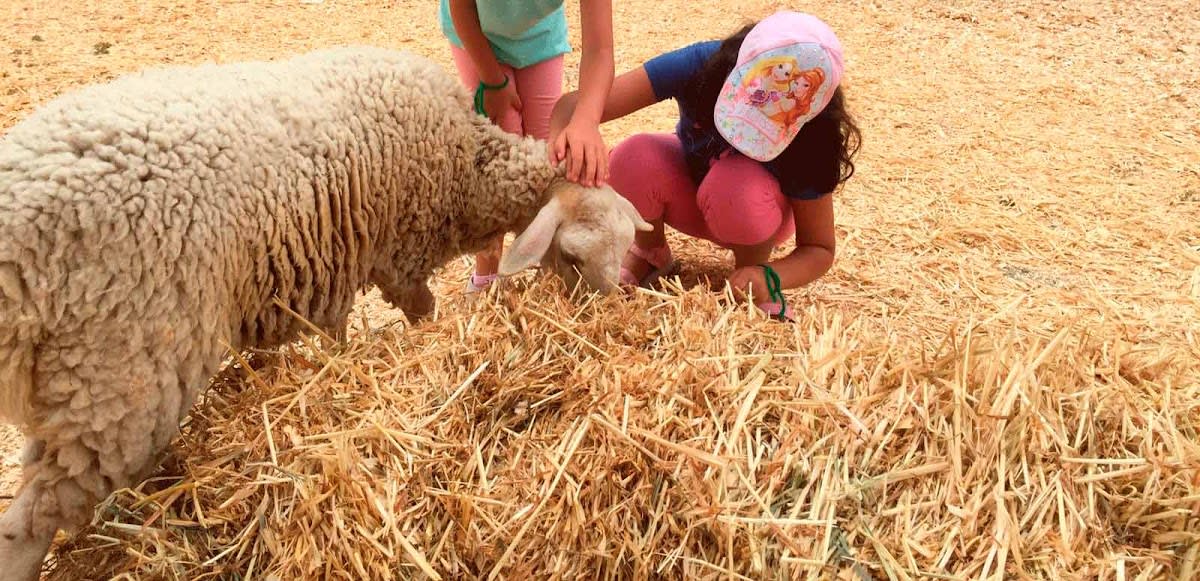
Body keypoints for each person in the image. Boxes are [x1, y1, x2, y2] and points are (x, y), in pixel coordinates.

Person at [548, 11, 861, 320]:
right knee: (632, 156)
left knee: (734, 183)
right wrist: (579, 127)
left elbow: (819, 247)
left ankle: (747, 271)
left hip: (754, 211)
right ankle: (651, 252)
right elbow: (572, 107)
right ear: (738, 64)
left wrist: (771, 276)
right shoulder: (702, 64)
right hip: (697, 193)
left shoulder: (815, 131)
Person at [440, 0, 614, 293]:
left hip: (538, 41)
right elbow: (461, 6)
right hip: (477, 34)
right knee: (498, 161)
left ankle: (550, 272)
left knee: (546, 159)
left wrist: (586, 119)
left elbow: (600, 49)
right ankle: (485, 279)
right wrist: (493, 81)